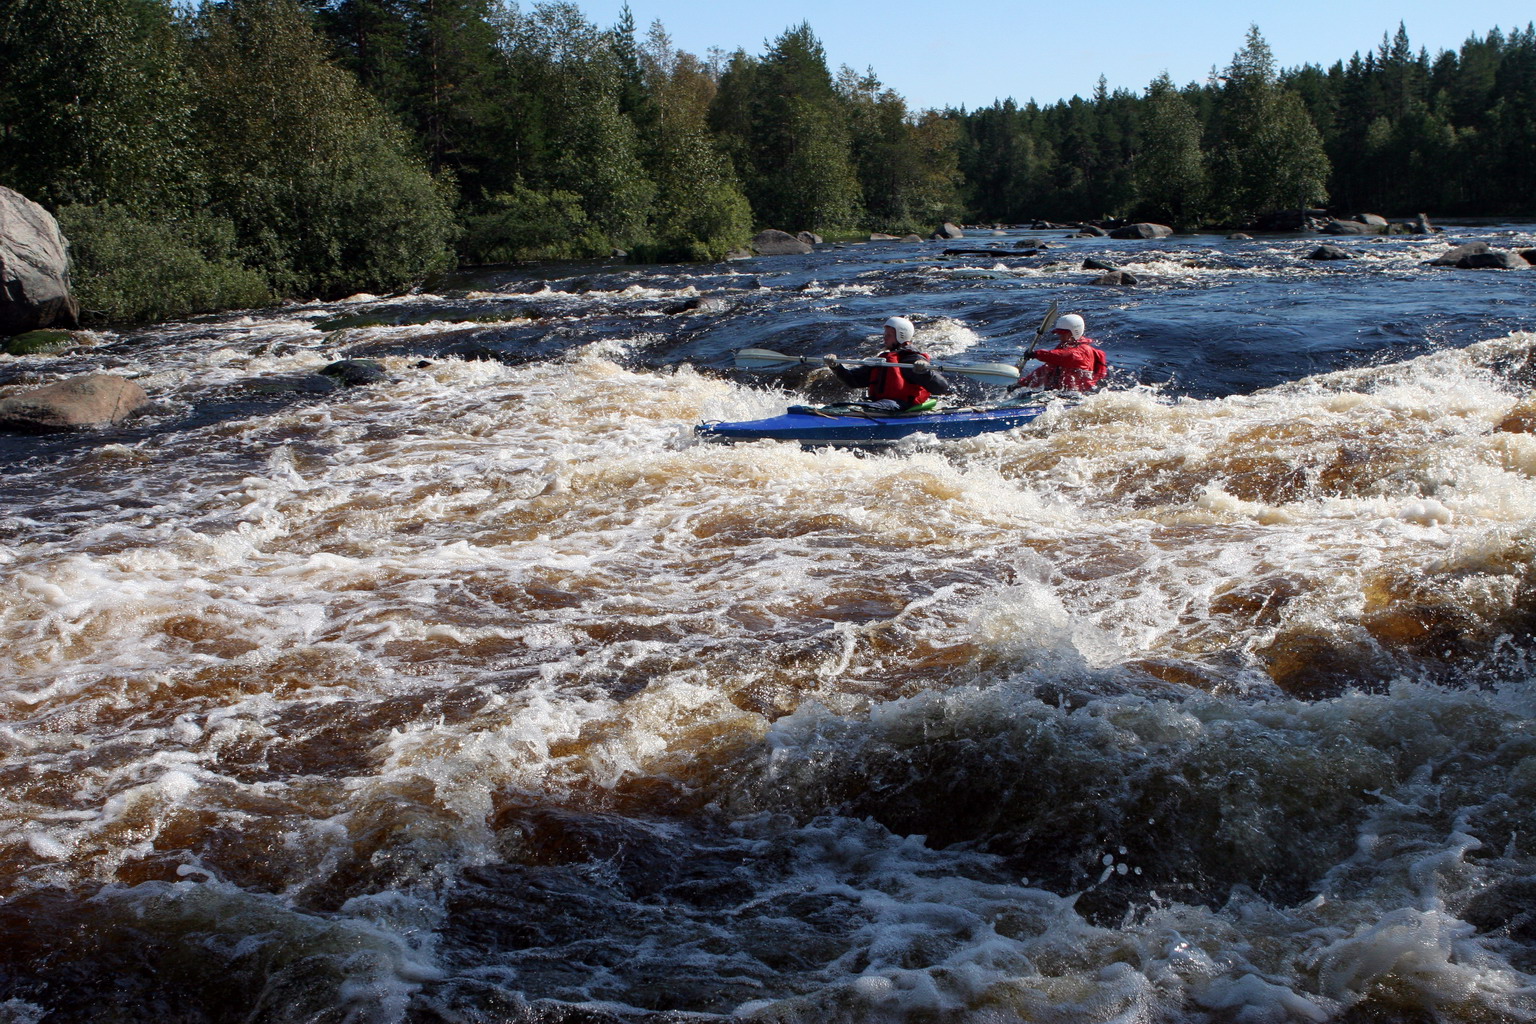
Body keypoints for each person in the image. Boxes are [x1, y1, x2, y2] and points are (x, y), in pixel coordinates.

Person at [823, 316, 952, 412]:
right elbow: (853, 381)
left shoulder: (912, 359)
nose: (884, 337)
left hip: (901, 404)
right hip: (883, 404)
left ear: (901, 336)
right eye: (885, 333)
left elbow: (941, 387)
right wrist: (835, 366)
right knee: (838, 406)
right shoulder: (883, 360)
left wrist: (925, 372)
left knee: (856, 407)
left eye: (889, 334)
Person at [1009, 313, 1108, 392]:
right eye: (1059, 334)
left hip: (1077, 395)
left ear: (1074, 332)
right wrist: (1022, 383)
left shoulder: (1083, 350)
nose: (1060, 337)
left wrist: (1037, 354)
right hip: (1058, 392)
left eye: (1063, 334)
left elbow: (1068, 356)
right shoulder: (1063, 347)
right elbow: (1045, 370)